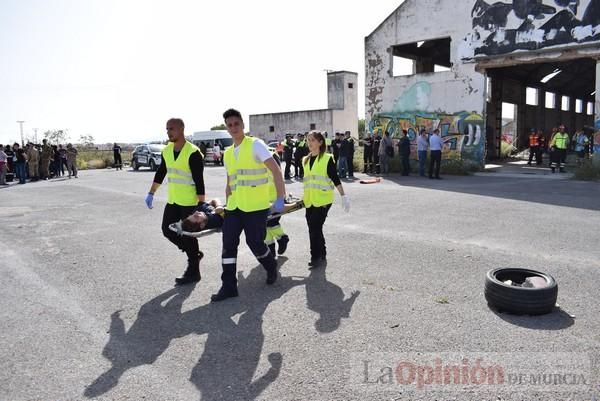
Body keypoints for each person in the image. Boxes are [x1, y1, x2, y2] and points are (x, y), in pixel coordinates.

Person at [211, 108, 286, 302]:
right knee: (228, 245)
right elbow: (230, 181)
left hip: (255, 206)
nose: (234, 128)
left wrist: (280, 198)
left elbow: (276, 171)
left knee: (255, 243)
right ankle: (228, 286)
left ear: (243, 125)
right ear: (227, 128)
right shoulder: (228, 153)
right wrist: (226, 203)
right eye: (230, 125)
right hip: (234, 207)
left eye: (237, 124)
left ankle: (270, 267)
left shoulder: (255, 145)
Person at [145, 118, 206, 285]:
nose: (169, 132)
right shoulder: (167, 151)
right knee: (167, 230)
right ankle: (194, 254)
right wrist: (151, 192)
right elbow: (161, 172)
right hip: (173, 200)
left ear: (181, 129)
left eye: (171, 128)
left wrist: (201, 205)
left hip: (188, 202)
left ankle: (193, 271)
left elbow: (199, 181)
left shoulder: (192, 152)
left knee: (187, 235)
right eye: (167, 129)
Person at [302, 131, 349, 268]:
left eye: (312, 140)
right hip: (310, 200)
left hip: (323, 200)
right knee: (315, 227)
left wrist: (343, 196)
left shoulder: (327, 158)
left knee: (314, 228)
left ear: (320, 142)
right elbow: (307, 182)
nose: (309, 142)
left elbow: (335, 178)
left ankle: (315, 256)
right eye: (308, 140)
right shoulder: (305, 160)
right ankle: (322, 252)